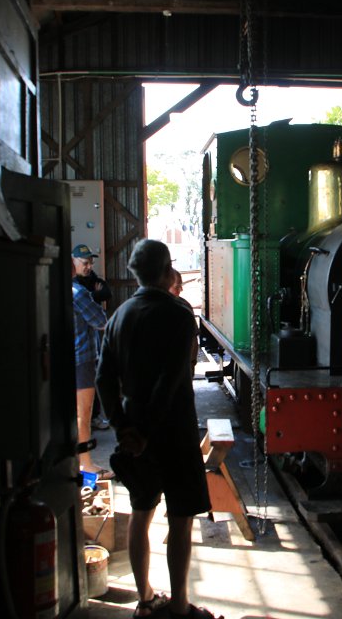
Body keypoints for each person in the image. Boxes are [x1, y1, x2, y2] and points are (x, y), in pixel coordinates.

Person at [95, 239, 223, 619]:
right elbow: (171, 381)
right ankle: (180, 607)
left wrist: (124, 429)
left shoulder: (119, 317)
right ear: (168, 272)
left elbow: (103, 380)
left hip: (135, 431)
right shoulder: (180, 315)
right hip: (174, 430)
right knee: (180, 520)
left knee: (140, 512)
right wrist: (147, 430)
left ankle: (146, 599)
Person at [71, 244, 112, 478]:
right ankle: (86, 464)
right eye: (84, 263)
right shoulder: (79, 293)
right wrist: (94, 297)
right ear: (72, 264)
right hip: (82, 358)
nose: (88, 267)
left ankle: (75, 462)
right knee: (83, 414)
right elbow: (101, 320)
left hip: (68, 357)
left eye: (90, 263)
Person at [169, 268, 199, 377]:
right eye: (177, 286)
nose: (181, 289)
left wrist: (191, 364)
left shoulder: (185, 305)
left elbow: (193, 340)